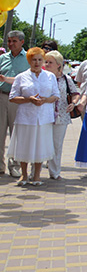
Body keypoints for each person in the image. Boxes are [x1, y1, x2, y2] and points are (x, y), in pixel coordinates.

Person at [6, 47, 59, 185]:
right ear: (29, 61)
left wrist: (44, 100)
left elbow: (56, 95)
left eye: (40, 60)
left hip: (44, 116)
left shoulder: (50, 76)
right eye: (34, 60)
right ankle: (23, 175)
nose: (37, 63)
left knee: (40, 145)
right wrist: (29, 99)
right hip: (25, 116)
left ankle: (36, 175)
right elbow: (12, 97)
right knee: (24, 145)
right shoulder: (21, 77)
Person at [43, 50, 78, 180]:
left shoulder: (66, 79)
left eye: (50, 62)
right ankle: (34, 173)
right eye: (45, 61)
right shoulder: (42, 77)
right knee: (41, 143)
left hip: (61, 115)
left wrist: (73, 104)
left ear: (58, 64)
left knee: (57, 145)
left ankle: (54, 172)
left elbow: (75, 93)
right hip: (44, 115)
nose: (46, 64)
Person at [0, 30, 29, 177]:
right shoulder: (2, 58)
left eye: (14, 41)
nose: (11, 44)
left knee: (16, 134)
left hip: (19, 100)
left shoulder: (28, 59)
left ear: (22, 42)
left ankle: (15, 165)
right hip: (2, 97)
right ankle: (0, 166)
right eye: (9, 41)